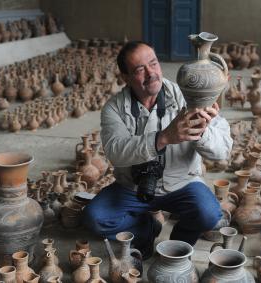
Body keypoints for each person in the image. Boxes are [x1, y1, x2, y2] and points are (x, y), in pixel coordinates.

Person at [82, 41, 233, 259]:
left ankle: (178, 247)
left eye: (153, 63)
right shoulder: (114, 107)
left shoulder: (188, 94)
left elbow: (222, 152)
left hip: (182, 183)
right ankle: (146, 231)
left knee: (209, 214)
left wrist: (202, 131)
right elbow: (115, 151)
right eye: (139, 69)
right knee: (95, 218)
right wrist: (163, 138)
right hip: (133, 187)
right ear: (125, 77)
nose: (151, 73)